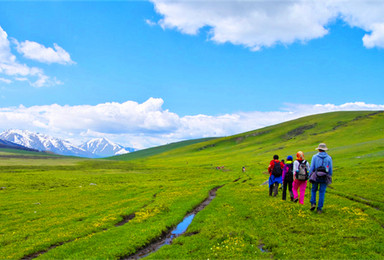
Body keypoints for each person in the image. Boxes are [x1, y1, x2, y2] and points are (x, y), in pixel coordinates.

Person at [309, 143, 333, 214]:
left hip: (316, 175)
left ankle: (313, 203)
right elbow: (330, 169)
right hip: (324, 176)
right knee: (322, 192)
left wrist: (310, 176)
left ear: (319, 149)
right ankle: (319, 208)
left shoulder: (314, 157)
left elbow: (312, 167)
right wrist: (329, 176)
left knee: (313, 190)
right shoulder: (329, 158)